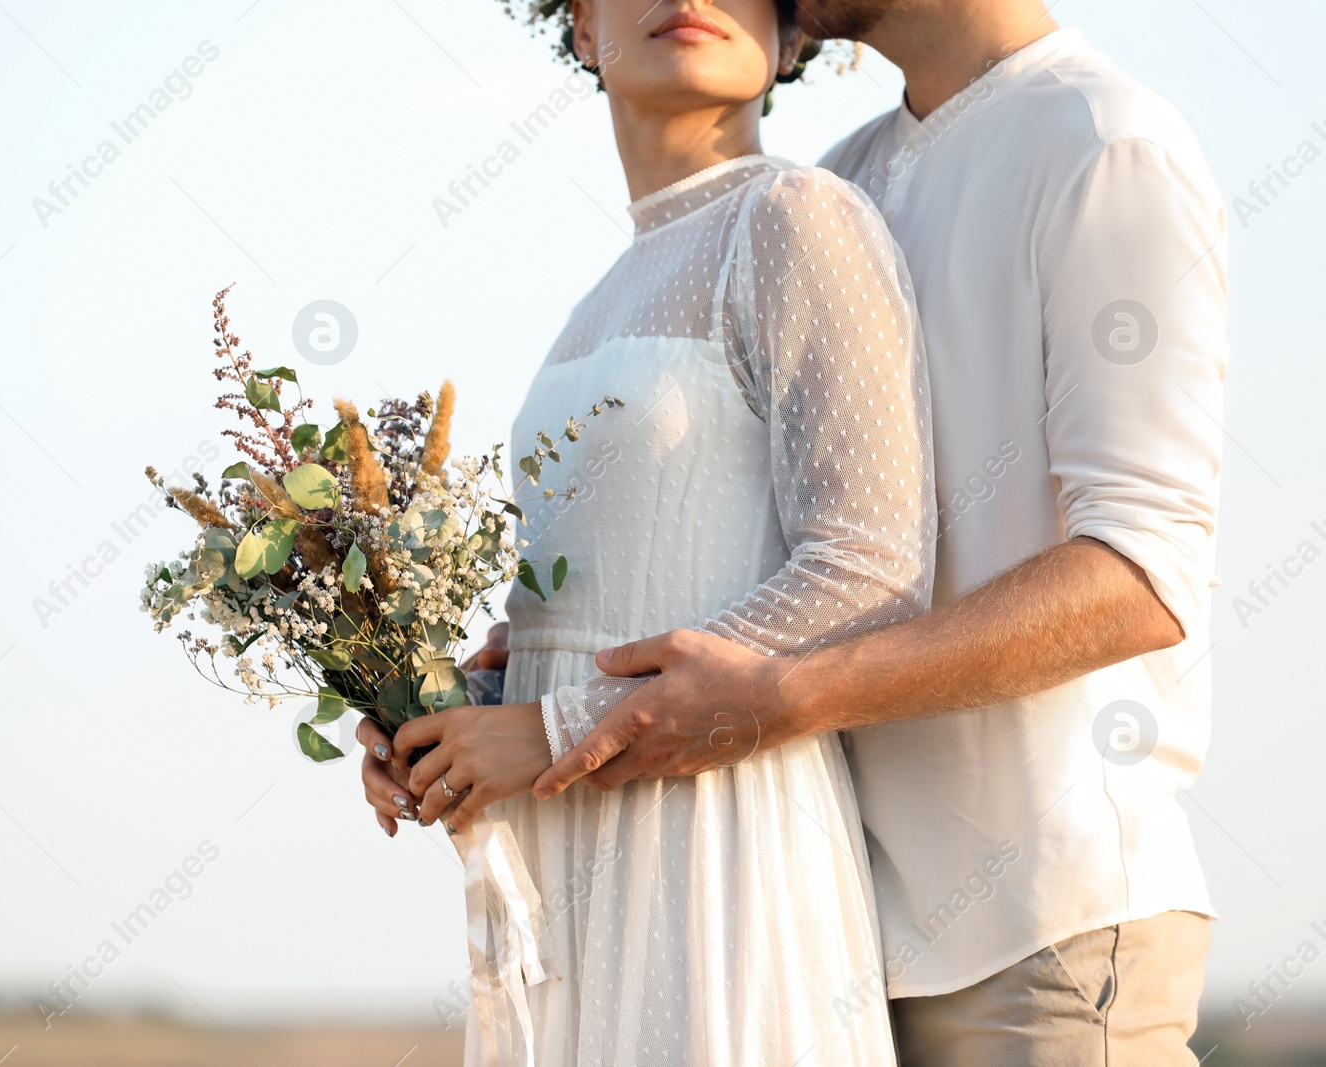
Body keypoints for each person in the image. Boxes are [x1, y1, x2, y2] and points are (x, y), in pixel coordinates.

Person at [523, 2, 1231, 1064]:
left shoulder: (1100, 138)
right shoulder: (843, 175)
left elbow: (1141, 571)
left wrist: (778, 698)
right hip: (829, 920)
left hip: (1038, 933)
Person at [359, 1, 937, 1062]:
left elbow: (871, 564)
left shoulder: (798, 214)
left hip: (718, 838)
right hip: (568, 843)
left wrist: (555, 725)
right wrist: (443, 712)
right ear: (580, 25)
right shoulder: (595, 296)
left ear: (793, 35)